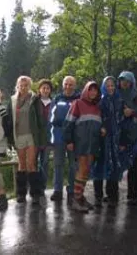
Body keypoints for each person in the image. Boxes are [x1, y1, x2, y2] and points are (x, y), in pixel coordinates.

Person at [64, 81, 104, 212]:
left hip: (93, 145)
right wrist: (68, 140)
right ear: (86, 90)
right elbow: (68, 122)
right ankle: (75, 199)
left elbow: (98, 125)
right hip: (81, 144)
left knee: (86, 172)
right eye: (90, 90)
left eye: (95, 90)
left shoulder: (98, 107)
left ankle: (80, 197)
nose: (93, 93)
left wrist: (102, 129)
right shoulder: (78, 103)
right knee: (81, 171)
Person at [92, 77, 132, 208]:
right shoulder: (99, 102)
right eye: (108, 86)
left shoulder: (120, 101)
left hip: (116, 139)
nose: (110, 88)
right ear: (104, 87)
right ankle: (98, 195)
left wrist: (123, 141)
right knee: (99, 165)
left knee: (114, 166)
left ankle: (112, 194)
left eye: (112, 86)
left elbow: (125, 122)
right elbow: (95, 119)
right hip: (102, 139)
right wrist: (101, 128)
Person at [7, 76, 41, 204]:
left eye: (25, 85)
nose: (23, 87)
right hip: (19, 135)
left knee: (31, 164)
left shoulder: (35, 99)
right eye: (21, 85)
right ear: (17, 86)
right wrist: (10, 138)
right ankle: (21, 194)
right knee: (21, 164)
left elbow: (39, 118)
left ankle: (35, 193)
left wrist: (41, 137)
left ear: (29, 86)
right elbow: (9, 119)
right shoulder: (12, 100)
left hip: (31, 135)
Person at [48, 76, 80, 204]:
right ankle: (57, 190)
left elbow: (80, 119)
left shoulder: (79, 100)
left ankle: (71, 189)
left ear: (75, 85)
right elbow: (51, 118)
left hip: (74, 138)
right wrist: (52, 138)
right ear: (63, 85)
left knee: (74, 166)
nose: (68, 86)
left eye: (71, 84)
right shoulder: (57, 99)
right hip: (59, 137)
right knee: (58, 165)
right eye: (66, 84)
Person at [117, 71, 137, 205]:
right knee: (115, 165)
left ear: (131, 82)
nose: (124, 83)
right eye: (122, 80)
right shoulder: (116, 94)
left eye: (126, 81)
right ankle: (112, 194)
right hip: (118, 135)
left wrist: (132, 112)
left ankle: (132, 195)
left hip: (133, 135)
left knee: (133, 167)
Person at [33, 79, 54, 199]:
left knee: (44, 163)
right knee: (33, 163)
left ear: (50, 90)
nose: (45, 90)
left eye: (48, 88)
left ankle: (42, 187)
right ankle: (34, 187)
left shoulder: (53, 102)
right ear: (39, 89)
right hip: (36, 138)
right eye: (43, 88)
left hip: (48, 138)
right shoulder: (34, 102)